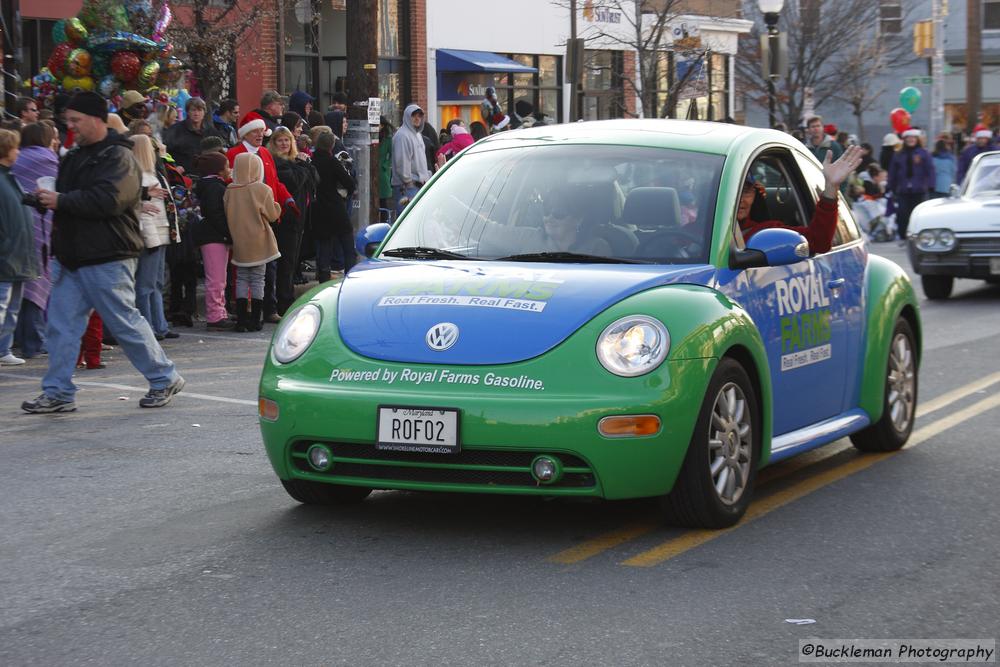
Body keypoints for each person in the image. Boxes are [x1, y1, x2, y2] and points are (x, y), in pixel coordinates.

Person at [22, 91, 184, 413]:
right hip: (72, 256)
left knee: (124, 322)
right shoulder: (76, 156)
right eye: (68, 121)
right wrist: (41, 198)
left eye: (75, 120)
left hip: (108, 255)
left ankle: (164, 377)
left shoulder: (118, 156)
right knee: (61, 326)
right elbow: (73, 195)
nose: (70, 127)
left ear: (96, 119)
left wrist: (60, 201)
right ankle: (58, 392)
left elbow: (110, 200)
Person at [739, 145, 863, 255]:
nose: (739, 200)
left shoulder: (763, 233)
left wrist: (831, 187)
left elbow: (818, 242)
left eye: (745, 191)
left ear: (756, 194)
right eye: (733, 191)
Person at [10, 122, 58, 360]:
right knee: (36, 283)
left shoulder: (17, 158)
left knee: (20, 288)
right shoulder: (46, 159)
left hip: (17, 227)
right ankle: (35, 341)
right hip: (38, 226)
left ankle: (18, 339)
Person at [224, 153, 282, 332]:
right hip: (260, 239)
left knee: (241, 278)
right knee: (258, 280)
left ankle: (241, 320)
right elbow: (272, 215)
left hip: (239, 240)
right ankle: (256, 319)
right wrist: (278, 207)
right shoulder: (262, 189)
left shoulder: (229, 191)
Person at [131, 134, 179, 341]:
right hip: (151, 235)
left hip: (161, 232)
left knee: (156, 283)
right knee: (145, 285)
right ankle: (148, 325)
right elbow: (142, 211)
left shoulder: (154, 173)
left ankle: (159, 324)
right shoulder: (139, 176)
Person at [0, 128, 39, 366]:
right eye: (15, 147)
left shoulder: (10, 177)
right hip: (7, 253)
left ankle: (4, 349)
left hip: (17, 252)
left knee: (11, 306)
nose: (18, 152)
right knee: (2, 305)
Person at [269, 125, 318, 315]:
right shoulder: (276, 163)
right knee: (285, 262)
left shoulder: (295, 162)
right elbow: (294, 181)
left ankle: (287, 299)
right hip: (284, 219)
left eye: (287, 140)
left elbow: (315, 180)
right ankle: (283, 302)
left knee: (292, 261)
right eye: (280, 140)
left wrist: (304, 166)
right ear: (274, 143)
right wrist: (304, 166)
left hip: (300, 219)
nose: (284, 144)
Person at [193, 150, 233, 329]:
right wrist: (228, 232)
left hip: (214, 235)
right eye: (226, 166)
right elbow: (216, 214)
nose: (229, 169)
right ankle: (215, 315)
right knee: (216, 278)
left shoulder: (211, 186)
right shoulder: (214, 188)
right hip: (214, 236)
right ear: (218, 170)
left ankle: (220, 311)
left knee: (219, 277)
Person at [311, 131, 357, 281]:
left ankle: (323, 280)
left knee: (324, 249)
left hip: (318, 209)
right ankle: (350, 277)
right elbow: (349, 183)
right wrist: (346, 194)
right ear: (331, 145)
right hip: (336, 208)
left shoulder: (311, 162)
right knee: (348, 246)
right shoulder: (332, 162)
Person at [887, 128, 934, 241]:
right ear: (905, 139)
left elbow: (930, 170)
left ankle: (918, 236)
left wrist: (931, 185)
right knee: (902, 213)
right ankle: (903, 235)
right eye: (908, 137)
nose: (911, 140)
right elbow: (893, 171)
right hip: (903, 189)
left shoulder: (924, 153)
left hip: (919, 189)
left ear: (917, 139)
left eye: (913, 137)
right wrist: (890, 186)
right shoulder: (899, 154)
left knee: (918, 214)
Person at [162, 97, 223, 174]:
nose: (196, 114)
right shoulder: (175, 130)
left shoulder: (211, 131)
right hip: (183, 176)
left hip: (206, 175)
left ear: (204, 112)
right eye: (193, 110)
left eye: (200, 110)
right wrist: (174, 167)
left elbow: (220, 153)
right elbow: (164, 152)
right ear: (188, 112)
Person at [391, 103, 431, 215]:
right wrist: (408, 182)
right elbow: (401, 163)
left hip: (417, 185)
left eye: (420, 115)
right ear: (407, 117)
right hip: (406, 187)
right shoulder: (402, 136)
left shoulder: (417, 135)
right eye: (414, 115)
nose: (417, 118)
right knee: (406, 222)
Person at [378, 116, 394, 216]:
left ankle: (384, 221)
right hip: (373, 171)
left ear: (382, 125)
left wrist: (385, 165)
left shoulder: (388, 138)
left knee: (383, 200)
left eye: (378, 125)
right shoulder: (372, 135)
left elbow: (392, 155)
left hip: (382, 172)